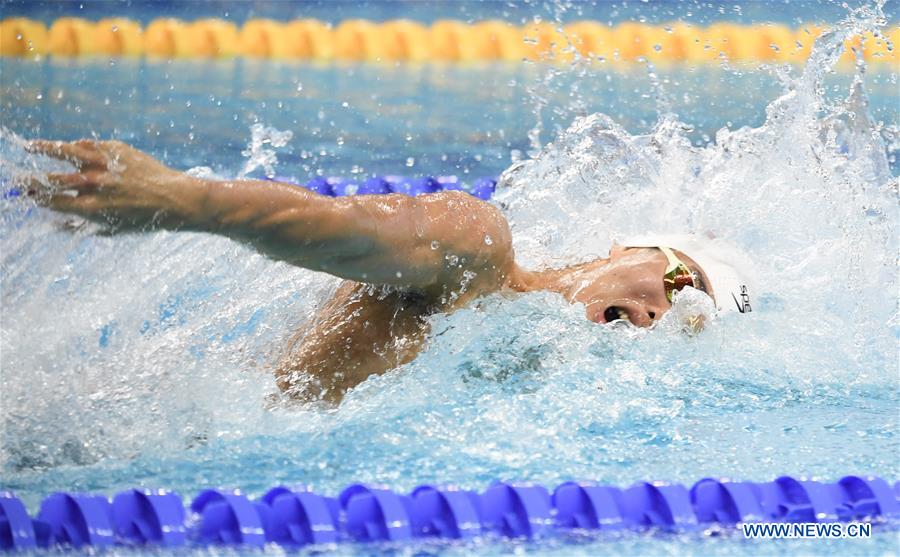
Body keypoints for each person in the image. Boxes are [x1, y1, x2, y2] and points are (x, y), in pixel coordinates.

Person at [22, 139, 755, 403]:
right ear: (624, 248)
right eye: (677, 281)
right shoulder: (479, 251)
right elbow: (339, 229)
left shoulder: (508, 388)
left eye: (686, 327)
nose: (661, 317)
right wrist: (185, 199)